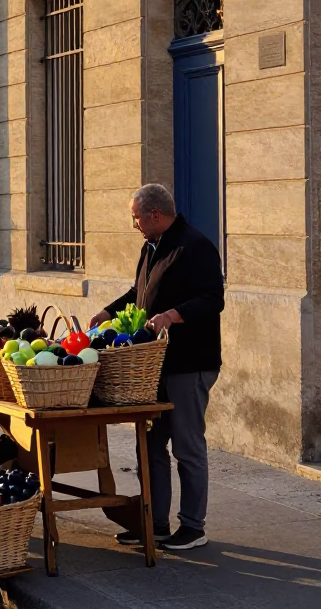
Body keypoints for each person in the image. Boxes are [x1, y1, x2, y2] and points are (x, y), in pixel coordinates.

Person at [90, 183, 224, 550]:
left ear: (155, 214)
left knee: (187, 446)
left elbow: (214, 299)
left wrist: (174, 315)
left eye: (136, 217)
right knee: (149, 444)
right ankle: (156, 522)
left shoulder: (194, 246)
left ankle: (193, 527)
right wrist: (108, 311)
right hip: (154, 366)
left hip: (189, 364)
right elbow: (139, 295)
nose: (134, 224)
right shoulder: (151, 248)